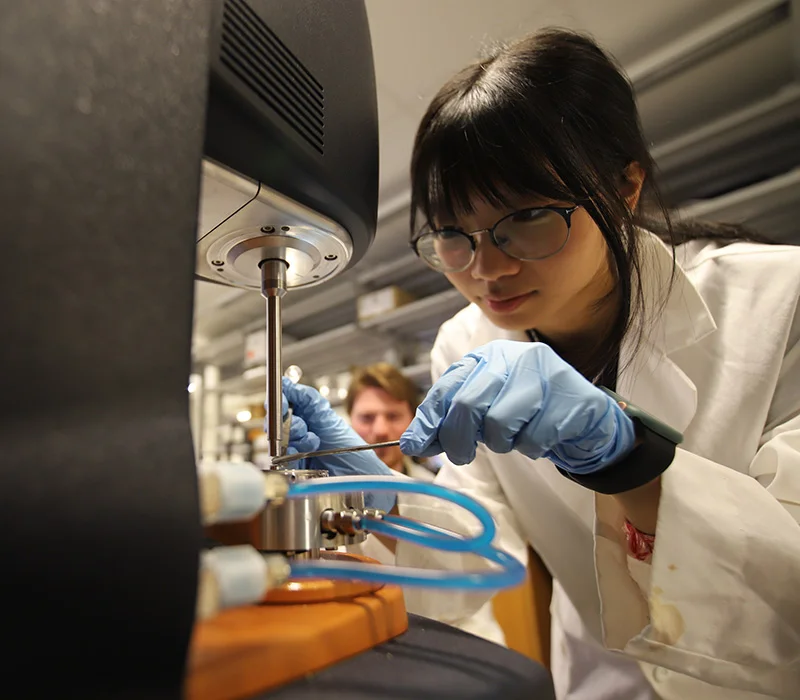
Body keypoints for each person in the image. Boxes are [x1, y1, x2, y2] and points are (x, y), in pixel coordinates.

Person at [281, 28, 800, 700]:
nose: (487, 269)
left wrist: (627, 461)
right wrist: (381, 497)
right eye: (451, 235)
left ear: (624, 189)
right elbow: (472, 547)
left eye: (525, 218)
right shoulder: (464, 342)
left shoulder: (781, 304)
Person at [346, 363, 437, 481]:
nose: (381, 431)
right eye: (367, 418)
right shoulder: (325, 493)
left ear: (413, 420)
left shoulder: (435, 495)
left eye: (393, 416)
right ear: (350, 420)